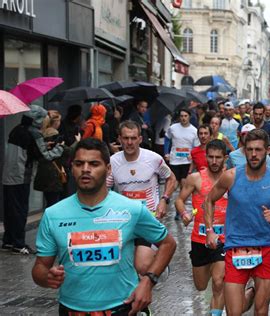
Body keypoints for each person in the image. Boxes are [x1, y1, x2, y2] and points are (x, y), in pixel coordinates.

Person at [32, 138, 176, 315]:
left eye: (93, 164)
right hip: (72, 310)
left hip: (123, 307)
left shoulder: (132, 209)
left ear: (108, 169)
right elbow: (39, 268)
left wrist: (148, 281)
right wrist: (47, 278)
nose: (85, 169)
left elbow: (168, 243)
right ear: (72, 168)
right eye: (79, 163)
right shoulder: (53, 215)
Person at [205, 129, 270, 316]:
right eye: (249, 149)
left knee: (261, 311)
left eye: (258, 150)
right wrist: (209, 230)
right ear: (244, 150)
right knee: (234, 312)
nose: (253, 154)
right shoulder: (231, 176)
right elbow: (209, 200)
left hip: (267, 248)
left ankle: (254, 291)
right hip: (235, 248)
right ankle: (251, 292)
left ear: (268, 150)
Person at [176, 140, 254, 315]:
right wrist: (184, 214)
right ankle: (248, 296)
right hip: (199, 239)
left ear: (225, 158)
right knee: (201, 285)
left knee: (219, 282)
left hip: (224, 240)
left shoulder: (232, 178)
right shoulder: (195, 178)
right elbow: (179, 199)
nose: (214, 161)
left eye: (218, 157)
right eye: (210, 157)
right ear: (205, 157)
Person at [107, 120, 177, 275]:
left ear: (140, 138)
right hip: (123, 220)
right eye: (126, 138)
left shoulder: (153, 159)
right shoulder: (112, 162)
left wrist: (164, 200)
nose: (129, 142)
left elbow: (171, 178)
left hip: (147, 218)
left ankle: (158, 264)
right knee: (123, 266)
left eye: (133, 138)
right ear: (119, 139)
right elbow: (104, 189)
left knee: (142, 266)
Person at [2, 105, 64, 255]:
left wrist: (42, 145)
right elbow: (45, 157)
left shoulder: (17, 129)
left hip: (8, 175)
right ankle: (18, 244)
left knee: (11, 209)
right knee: (20, 210)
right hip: (21, 176)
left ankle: (8, 240)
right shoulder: (34, 133)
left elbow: (30, 149)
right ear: (37, 119)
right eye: (43, 119)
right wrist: (59, 149)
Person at [165, 108, 199, 191]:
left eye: (185, 116)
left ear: (189, 117)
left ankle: (180, 201)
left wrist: (193, 156)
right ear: (179, 117)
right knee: (173, 183)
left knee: (184, 183)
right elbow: (167, 139)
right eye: (181, 116)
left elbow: (196, 146)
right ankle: (167, 200)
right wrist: (166, 153)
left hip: (187, 161)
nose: (183, 118)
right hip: (174, 160)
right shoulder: (173, 128)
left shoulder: (194, 131)